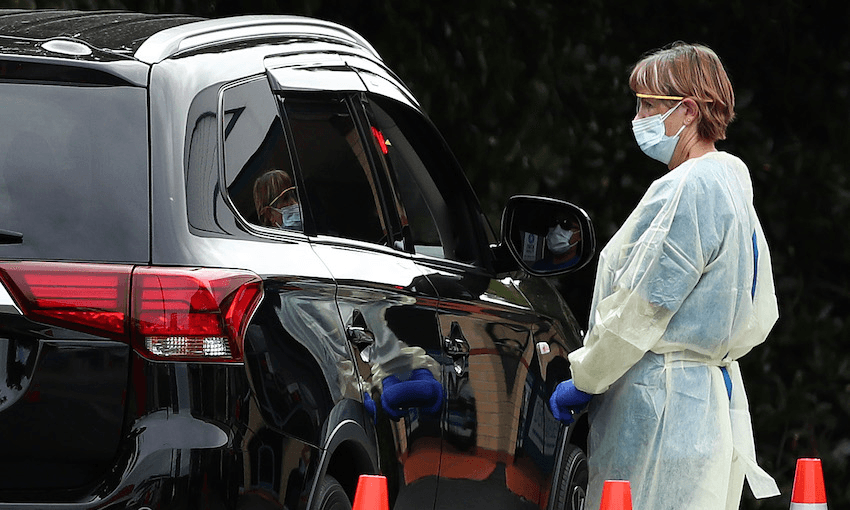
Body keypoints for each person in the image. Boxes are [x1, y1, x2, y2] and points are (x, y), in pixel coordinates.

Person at [549, 42, 781, 509]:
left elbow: (644, 304)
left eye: (650, 105)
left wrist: (587, 376)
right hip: (701, 409)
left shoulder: (691, 187)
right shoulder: (730, 179)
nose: (639, 117)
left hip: (661, 410)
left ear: (689, 111)